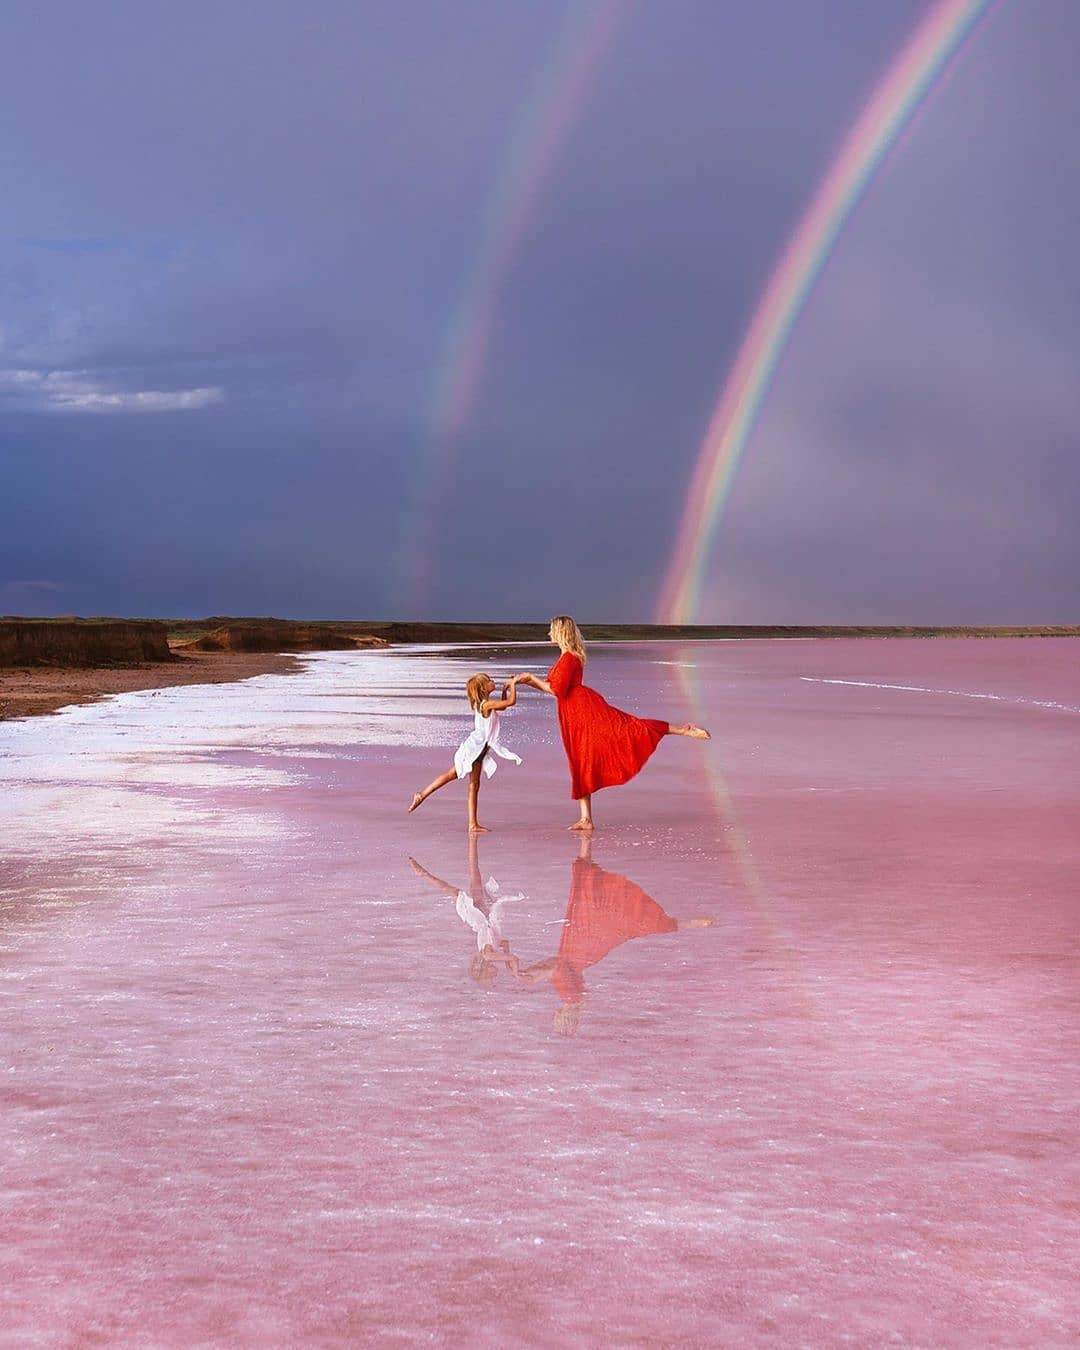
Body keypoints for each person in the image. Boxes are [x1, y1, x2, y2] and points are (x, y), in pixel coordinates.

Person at [514, 615, 709, 831]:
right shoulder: (565, 657)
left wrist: (531, 678)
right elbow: (554, 689)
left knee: (627, 729)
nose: (548, 633)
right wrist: (529, 681)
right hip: (572, 714)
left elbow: (557, 690)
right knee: (580, 759)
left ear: (560, 631)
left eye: (551, 629)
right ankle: (586, 819)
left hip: (583, 711)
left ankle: (683, 729)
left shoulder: (569, 658)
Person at [514, 834, 713, 1035]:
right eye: (556, 1020)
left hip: (580, 950)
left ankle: (586, 841)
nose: (553, 1017)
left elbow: (558, 967)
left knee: (588, 894)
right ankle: (686, 923)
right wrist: (535, 975)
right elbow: (558, 966)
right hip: (578, 946)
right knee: (599, 903)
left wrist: (534, 973)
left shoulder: (575, 1000)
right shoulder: (569, 997)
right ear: (561, 1018)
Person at [408, 673, 521, 833]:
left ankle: (472, 823)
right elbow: (511, 702)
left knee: (472, 785)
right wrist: (514, 683)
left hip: (479, 751)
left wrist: (506, 689)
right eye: (489, 681)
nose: (492, 681)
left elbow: (503, 706)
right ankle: (422, 795)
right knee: (457, 778)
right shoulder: (485, 705)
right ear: (483, 688)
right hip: (474, 749)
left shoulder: (484, 704)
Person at [408, 837, 524, 986]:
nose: (494, 975)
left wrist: (515, 973)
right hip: (484, 916)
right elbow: (505, 944)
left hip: (481, 915)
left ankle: (471, 839)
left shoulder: (489, 956)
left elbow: (513, 957)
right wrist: (508, 962)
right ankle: (425, 873)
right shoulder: (488, 954)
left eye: (490, 977)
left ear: (485, 970)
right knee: (466, 877)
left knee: (468, 876)